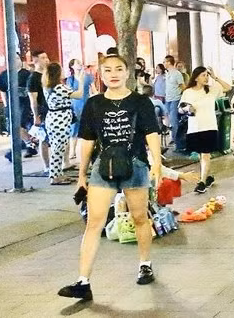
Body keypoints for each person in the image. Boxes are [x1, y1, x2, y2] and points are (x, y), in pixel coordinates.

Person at [57, 54, 162, 301]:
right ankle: (83, 282)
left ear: (127, 73)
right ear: (101, 75)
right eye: (107, 70)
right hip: (102, 167)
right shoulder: (94, 104)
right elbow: (87, 140)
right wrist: (81, 174)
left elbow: (152, 133)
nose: (113, 74)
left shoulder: (141, 102)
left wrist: (157, 163)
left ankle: (145, 264)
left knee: (139, 217)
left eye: (118, 69)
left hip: (135, 165)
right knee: (94, 223)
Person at [179, 66, 232, 194]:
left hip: (210, 126)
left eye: (207, 75)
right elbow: (180, 108)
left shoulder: (211, 90)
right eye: (203, 75)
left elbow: (228, 88)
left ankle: (201, 182)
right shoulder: (188, 92)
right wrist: (188, 109)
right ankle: (207, 176)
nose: (206, 77)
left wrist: (215, 77)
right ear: (196, 77)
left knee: (205, 154)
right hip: (195, 127)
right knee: (201, 155)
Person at [44, 62, 86, 185]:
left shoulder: (48, 86)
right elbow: (78, 95)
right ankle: (55, 176)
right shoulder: (59, 87)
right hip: (60, 119)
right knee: (59, 148)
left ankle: (57, 174)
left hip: (53, 117)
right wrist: (81, 81)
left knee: (56, 146)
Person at [0, 53, 38, 160]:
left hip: (24, 104)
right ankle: (29, 144)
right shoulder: (4, 75)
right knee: (13, 127)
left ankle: (16, 150)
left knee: (17, 125)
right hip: (11, 104)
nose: (15, 61)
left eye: (17, 58)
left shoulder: (27, 74)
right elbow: (2, 91)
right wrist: (6, 105)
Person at [66, 59, 97, 161]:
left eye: (80, 62)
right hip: (74, 105)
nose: (80, 64)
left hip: (86, 104)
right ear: (72, 67)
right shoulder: (70, 79)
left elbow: (94, 90)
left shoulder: (88, 77)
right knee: (74, 129)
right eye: (77, 63)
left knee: (87, 128)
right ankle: (72, 151)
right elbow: (69, 93)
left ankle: (88, 151)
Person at [28, 50, 52, 173]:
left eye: (46, 57)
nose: (46, 60)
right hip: (43, 111)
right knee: (44, 139)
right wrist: (36, 115)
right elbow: (33, 99)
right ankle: (46, 166)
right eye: (43, 57)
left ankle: (56, 164)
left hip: (53, 109)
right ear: (36, 60)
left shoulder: (48, 75)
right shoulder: (33, 78)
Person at [163, 55, 185, 146]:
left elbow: (182, 86)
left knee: (174, 120)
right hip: (168, 99)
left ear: (169, 62)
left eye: (164, 62)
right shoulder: (167, 73)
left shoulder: (177, 74)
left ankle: (176, 140)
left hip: (175, 99)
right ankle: (174, 138)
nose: (163, 64)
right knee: (170, 120)